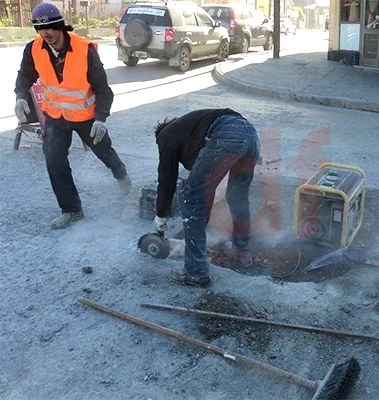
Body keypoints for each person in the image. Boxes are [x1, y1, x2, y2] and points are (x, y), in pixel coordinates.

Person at [14, 3, 131, 230]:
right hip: (56, 117)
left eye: (49, 28)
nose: (45, 33)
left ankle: (122, 175)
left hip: (87, 117)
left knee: (105, 152)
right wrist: (20, 96)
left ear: (60, 26)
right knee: (54, 161)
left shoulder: (84, 51)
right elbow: (25, 76)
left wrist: (101, 119)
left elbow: (103, 90)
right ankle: (71, 209)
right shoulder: (34, 49)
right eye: (39, 29)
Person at [153, 109, 261, 287]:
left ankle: (196, 271)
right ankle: (243, 253)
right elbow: (206, 187)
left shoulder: (166, 135)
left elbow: (167, 178)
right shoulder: (192, 129)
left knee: (190, 195)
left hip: (229, 133)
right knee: (237, 196)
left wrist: (161, 214)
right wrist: (201, 223)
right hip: (251, 135)